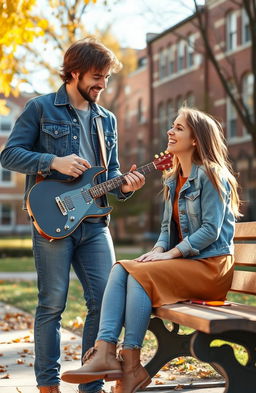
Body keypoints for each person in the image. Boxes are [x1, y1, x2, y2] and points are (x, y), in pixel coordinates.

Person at [61, 107, 241, 393]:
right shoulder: (172, 179)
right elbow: (167, 231)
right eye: (172, 126)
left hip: (210, 267)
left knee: (137, 275)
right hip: (186, 265)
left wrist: (169, 254)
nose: (170, 131)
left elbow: (211, 230)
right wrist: (157, 250)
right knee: (123, 268)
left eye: (179, 128)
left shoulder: (212, 174)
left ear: (196, 139)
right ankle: (108, 353)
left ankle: (130, 365)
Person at [0, 38, 145, 393]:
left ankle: (90, 384)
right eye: (98, 77)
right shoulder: (41, 108)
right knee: (52, 304)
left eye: (107, 78)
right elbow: (9, 155)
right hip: (52, 222)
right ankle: (48, 386)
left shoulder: (105, 120)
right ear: (75, 72)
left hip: (95, 225)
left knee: (105, 301)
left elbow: (108, 175)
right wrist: (51, 161)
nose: (103, 85)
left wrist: (124, 188)